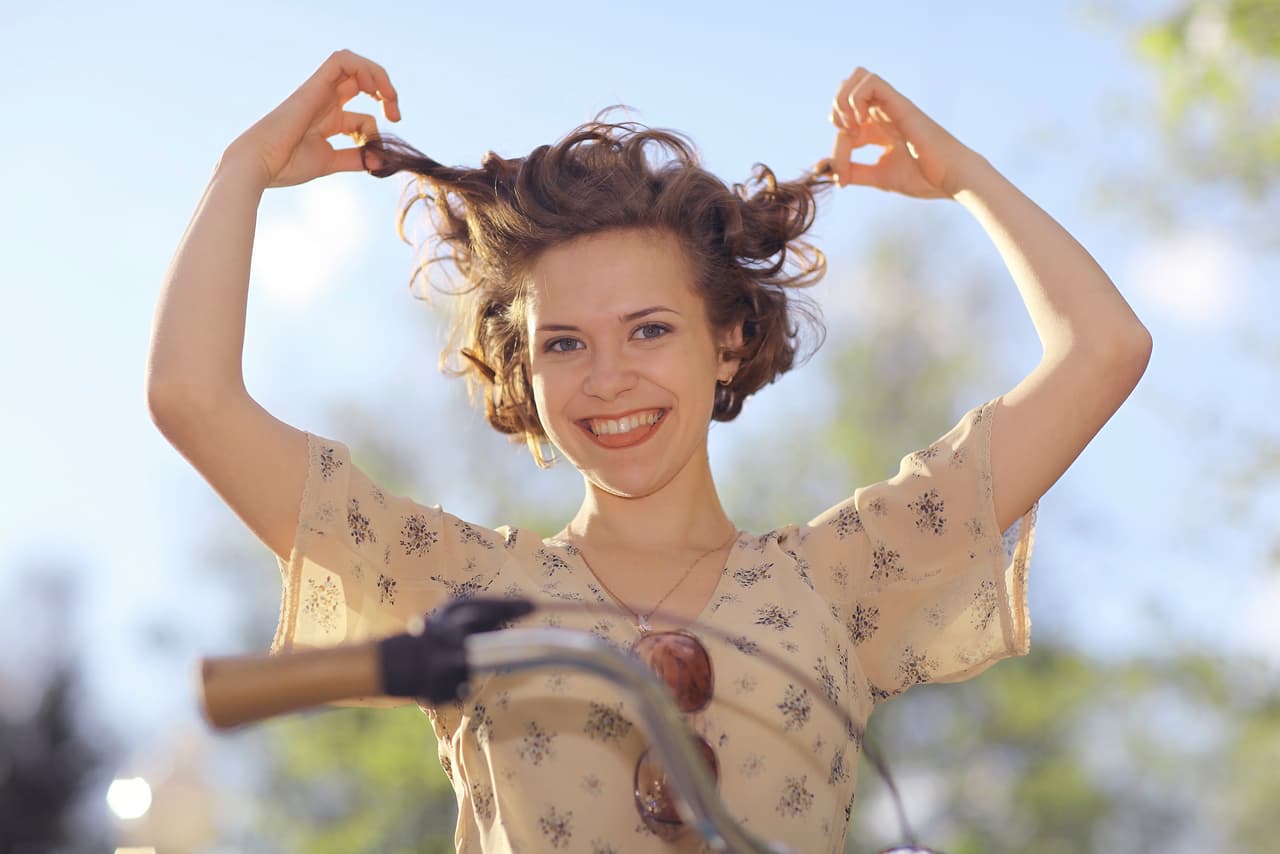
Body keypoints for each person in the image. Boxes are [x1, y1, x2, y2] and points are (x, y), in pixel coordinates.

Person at [147, 50, 1151, 853]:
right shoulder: (460, 590)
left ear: (724, 340)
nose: (608, 377)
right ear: (524, 372)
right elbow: (191, 399)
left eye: (649, 330)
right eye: (564, 343)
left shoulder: (838, 579)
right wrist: (241, 171)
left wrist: (964, 177)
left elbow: (1103, 350)